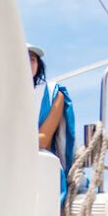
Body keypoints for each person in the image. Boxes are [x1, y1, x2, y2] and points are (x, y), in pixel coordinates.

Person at [32, 46, 76, 182]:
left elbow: (44, 140)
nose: (26, 64)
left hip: (39, 165)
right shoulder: (0, 95)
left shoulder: (53, 94)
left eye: (32, 59)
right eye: (22, 59)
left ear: (38, 65)